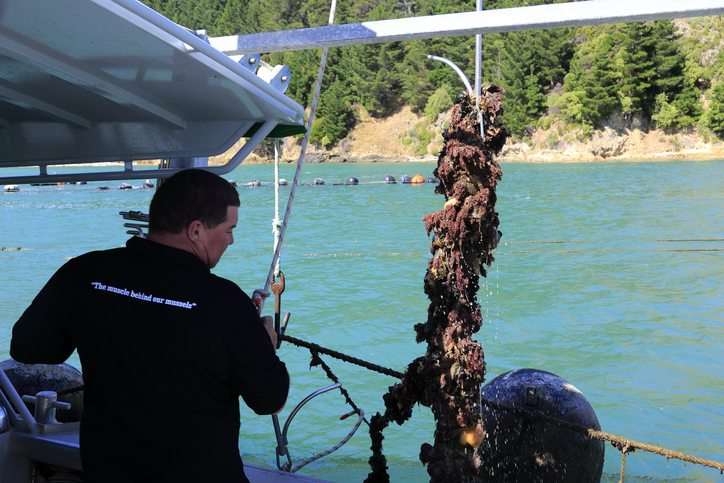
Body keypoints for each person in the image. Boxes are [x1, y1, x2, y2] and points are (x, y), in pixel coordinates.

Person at [11, 169, 289, 482]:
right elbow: (270, 400)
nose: (232, 240)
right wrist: (265, 344)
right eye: (228, 229)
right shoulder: (226, 302)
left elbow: (27, 347)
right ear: (196, 231)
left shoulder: (84, 272)